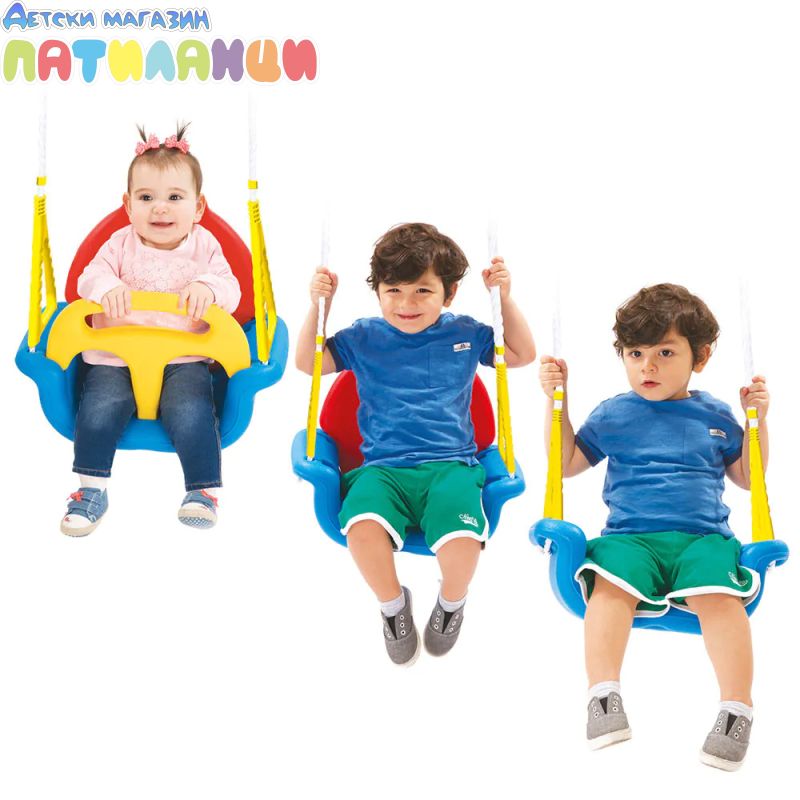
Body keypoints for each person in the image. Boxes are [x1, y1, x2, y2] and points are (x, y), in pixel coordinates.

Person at [538, 283, 769, 771]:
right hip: (630, 539)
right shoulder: (614, 414)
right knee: (609, 588)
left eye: (665, 352)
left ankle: (736, 708)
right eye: (636, 353)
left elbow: (750, 478)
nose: (648, 366)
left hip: (703, 540)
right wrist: (557, 402)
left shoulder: (715, 416)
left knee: (720, 598)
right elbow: (565, 464)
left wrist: (757, 422)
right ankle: (603, 695)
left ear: (700, 357)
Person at [297, 223, 535, 665]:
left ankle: (451, 602)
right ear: (378, 292)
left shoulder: (465, 334)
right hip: (381, 470)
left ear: (450, 293)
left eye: (423, 291)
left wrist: (503, 298)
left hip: (452, 467)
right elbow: (309, 364)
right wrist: (318, 306)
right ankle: (393, 606)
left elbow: (521, 355)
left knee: (462, 540)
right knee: (362, 528)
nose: (407, 304)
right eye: (394, 291)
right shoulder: (364, 337)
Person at [61, 124, 241, 536]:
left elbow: (231, 290)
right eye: (146, 198)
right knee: (98, 409)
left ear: (198, 207)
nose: (160, 208)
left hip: (184, 357)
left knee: (193, 412)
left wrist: (208, 288)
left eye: (175, 197)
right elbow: (88, 278)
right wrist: (107, 287)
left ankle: (202, 491)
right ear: (128, 205)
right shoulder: (118, 244)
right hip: (115, 356)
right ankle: (90, 490)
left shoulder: (205, 247)